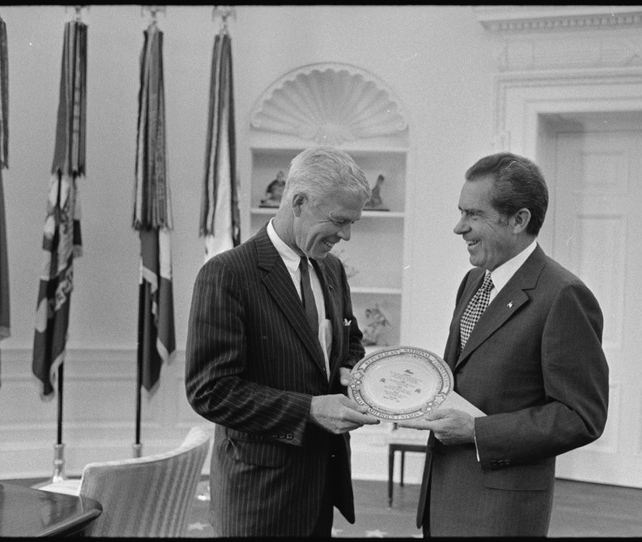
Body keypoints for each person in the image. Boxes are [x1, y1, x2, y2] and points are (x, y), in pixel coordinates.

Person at [185, 146, 381, 537]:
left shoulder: (332, 268)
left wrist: (353, 371)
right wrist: (308, 410)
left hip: (321, 483)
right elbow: (210, 390)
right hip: (259, 496)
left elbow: (350, 340)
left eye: (352, 223)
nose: (345, 236)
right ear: (298, 202)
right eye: (340, 221)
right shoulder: (227, 274)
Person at [413, 152, 609, 537]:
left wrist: (476, 432)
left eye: (474, 214)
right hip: (444, 500)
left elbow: (581, 416)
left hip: (500, 513)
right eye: (461, 212)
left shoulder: (563, 295)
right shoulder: (473, 282)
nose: (459, 227)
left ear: (519, 220)